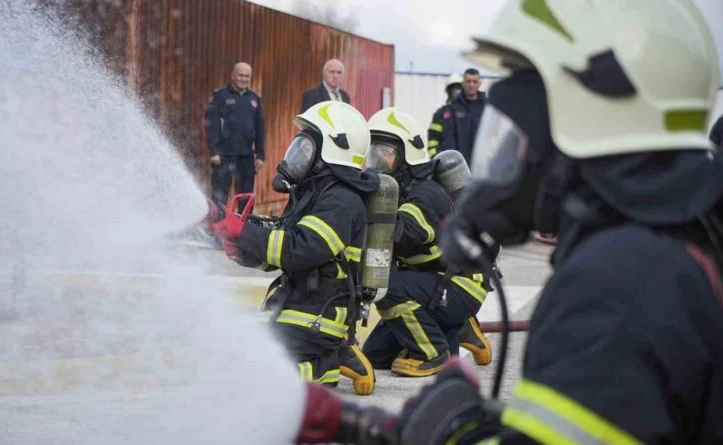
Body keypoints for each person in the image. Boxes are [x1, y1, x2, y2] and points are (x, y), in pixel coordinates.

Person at [289, 1, 723, 444]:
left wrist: (449, 432)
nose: (511, 151)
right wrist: (370, 428)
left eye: (520, 126)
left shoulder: (616, 284)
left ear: (584, 126)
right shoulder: (676, 243)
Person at [207, 101, 382, 392]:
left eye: (305, 146)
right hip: (296, 304)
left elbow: (299, 248)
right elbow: (281, 252)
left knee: (253, 374)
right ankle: (333, 354)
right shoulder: (314, 194)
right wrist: (239, 246)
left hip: (319, 314)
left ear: (330, 150)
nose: (297, 152)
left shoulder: (341, 201)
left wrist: (240, 231)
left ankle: (325, 366)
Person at [359, 107, 493, 377]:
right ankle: (458, 327)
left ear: (406, 153)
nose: (377, 159)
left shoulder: (424, 193)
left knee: (385, 287)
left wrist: (358, 213)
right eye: (373, 151)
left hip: (459, 285)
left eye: (384, 151)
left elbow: (405, 233)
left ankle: (433, 353)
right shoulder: (401, 187)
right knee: (375, 356)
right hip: (436, 281)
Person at [204, 62, 265, 212]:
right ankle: (217, 228)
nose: (243, 79)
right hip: (224, 155)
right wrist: (213, 152)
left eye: (247, 76)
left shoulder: (254, 99)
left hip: (246, 156)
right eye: (240, 75)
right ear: (233, 75)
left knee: (245, 197)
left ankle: (245, 228)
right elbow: (211, 125)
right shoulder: (220, 96)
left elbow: (260, 128)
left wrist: (260, 155)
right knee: (220, 197)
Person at [440, 68, 487, 165]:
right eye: (468, 81)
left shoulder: (487, 107)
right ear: (463, 83)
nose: (471, 85)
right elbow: (449, 137)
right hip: (460, 165)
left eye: (475, 81)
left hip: (481, 164)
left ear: (479, 83)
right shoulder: (453, 108)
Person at [427, 73, 463, 157]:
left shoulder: (469, 112)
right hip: (446, 162)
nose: (456, 92)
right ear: (449, 92)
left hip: (466, 163)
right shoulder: (440, 114)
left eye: (459, 89)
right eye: (453, 89)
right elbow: (432, 138)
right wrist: (435, 158)